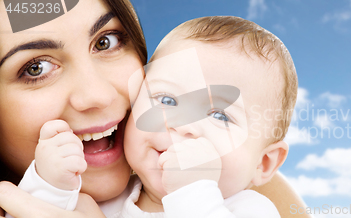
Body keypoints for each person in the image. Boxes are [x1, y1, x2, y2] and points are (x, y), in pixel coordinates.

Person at [0, 0, 309, 217]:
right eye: (35, 67)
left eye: (106, 41)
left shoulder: (251, 202)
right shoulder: (122, 194)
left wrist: (191, 194)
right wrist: (49, 183)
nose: (99, 95)